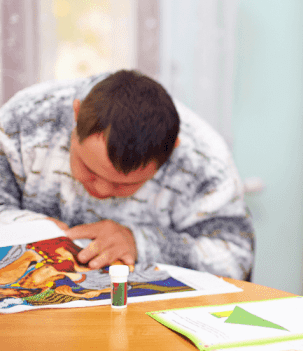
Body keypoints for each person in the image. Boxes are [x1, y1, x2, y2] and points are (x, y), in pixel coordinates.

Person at [0, 70, 254, 280]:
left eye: (125, 185)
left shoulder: (202, 157)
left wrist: (141, 244)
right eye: (88, 169)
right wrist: (27, 227)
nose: (100, 190)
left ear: (172, 152)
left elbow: (235, 259)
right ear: (76, 116)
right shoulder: (26, 119)